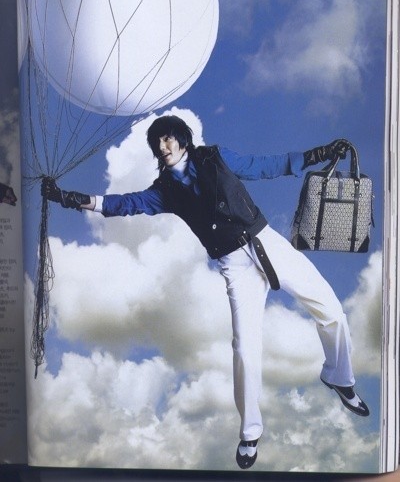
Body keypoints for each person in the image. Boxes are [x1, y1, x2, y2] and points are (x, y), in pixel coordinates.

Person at [41, 115, 369, 470]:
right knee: (245, 348)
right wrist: (72, 199)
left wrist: (317, 154)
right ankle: (250, 432)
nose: (163, 147)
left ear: (182, 138)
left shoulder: (215, 157)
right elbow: (126, 203)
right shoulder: (164, 191)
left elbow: (264, 166)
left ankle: (339, 377)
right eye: (157, 143)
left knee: (331, 309)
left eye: (168, 138)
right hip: (234, 266)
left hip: (265, 240)